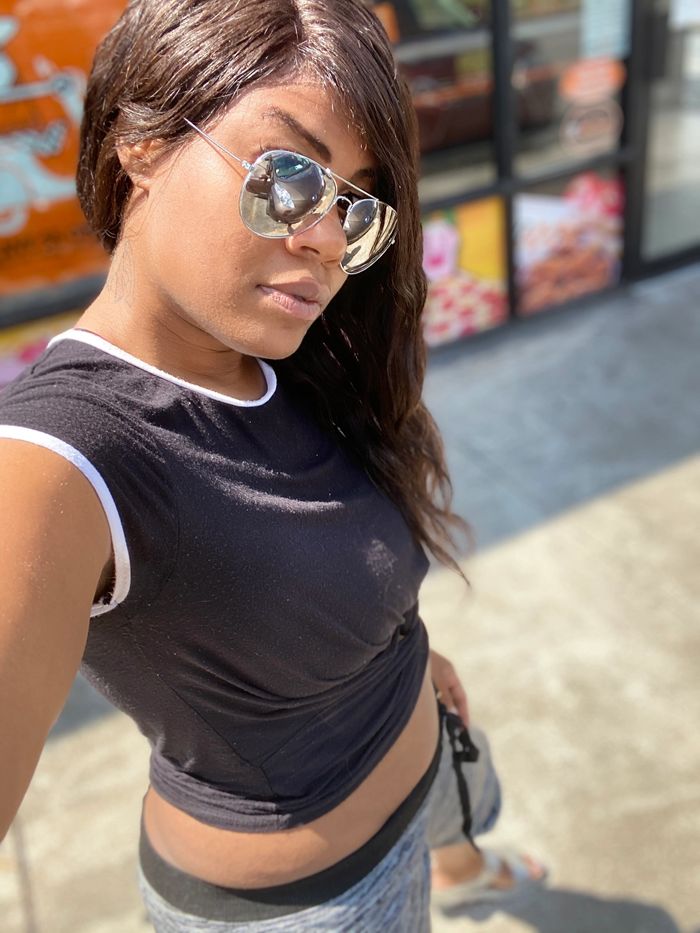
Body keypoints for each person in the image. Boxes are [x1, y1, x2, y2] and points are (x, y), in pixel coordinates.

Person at [0, 1, 546, 928]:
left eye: (355, 206)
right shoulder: (59, 460)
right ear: (141, 143)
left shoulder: (283, 358)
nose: (327, 239)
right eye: (289, 174)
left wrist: (410, 655)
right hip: (317, 906)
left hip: (417, 762)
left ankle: (466, 869)